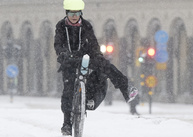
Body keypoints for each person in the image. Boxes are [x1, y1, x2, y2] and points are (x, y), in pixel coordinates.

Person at [54, 0, 138, 135]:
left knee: (105, 67)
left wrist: (97, 55)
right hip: (68, 60)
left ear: (81, 13)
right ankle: (67, 124)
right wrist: (63, 54)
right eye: (71, 13)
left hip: (85, 57)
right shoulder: (61, 26)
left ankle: (125, 88)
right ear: (66, 13)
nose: (74, 16)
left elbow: (93, 43)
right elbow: (58, 43)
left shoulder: (86, 25)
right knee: (68, 90)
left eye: (77, 13)